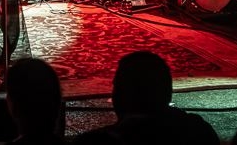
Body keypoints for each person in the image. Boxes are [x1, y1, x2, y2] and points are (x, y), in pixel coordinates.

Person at [72, 51, 218, 144]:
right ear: (167, 93)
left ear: (120, 96)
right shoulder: (200, 130)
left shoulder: (93, 142)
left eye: (116, 86)